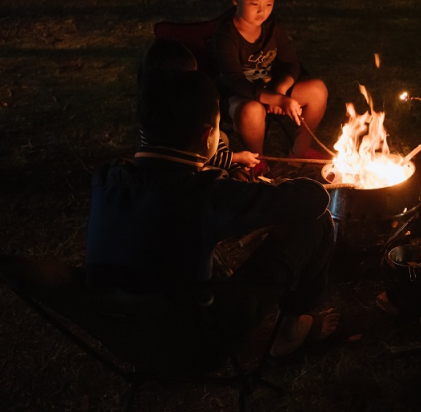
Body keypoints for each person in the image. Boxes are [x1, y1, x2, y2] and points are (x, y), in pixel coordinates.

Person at [86, 70, 339, 360]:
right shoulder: (206, 193)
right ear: (208, 136)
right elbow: (314, 199)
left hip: (119, 338)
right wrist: (277, 187)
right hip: (194, 346)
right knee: (317, 222)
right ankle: (291, 330)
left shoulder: (107, 178)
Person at [213, 0, 328, 167]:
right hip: (239, 98)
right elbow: (235, 81)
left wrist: (280, 90)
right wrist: (275, 99)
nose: (262, 12)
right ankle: (258, 162)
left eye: (268, 4)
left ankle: (299, 153)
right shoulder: (226, 35)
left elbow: (292, 64)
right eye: (254, 4)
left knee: (317, 90)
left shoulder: (273, 27)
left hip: (273, 91)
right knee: (252, 110)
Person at [139, 38, 259, 177]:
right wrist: (234, 158)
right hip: (178, 174)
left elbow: (211, 139)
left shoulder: (188, 108)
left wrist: (233, 167)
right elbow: (196, 153)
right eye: (192, 77)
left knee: (222, 137)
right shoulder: (164, 122)